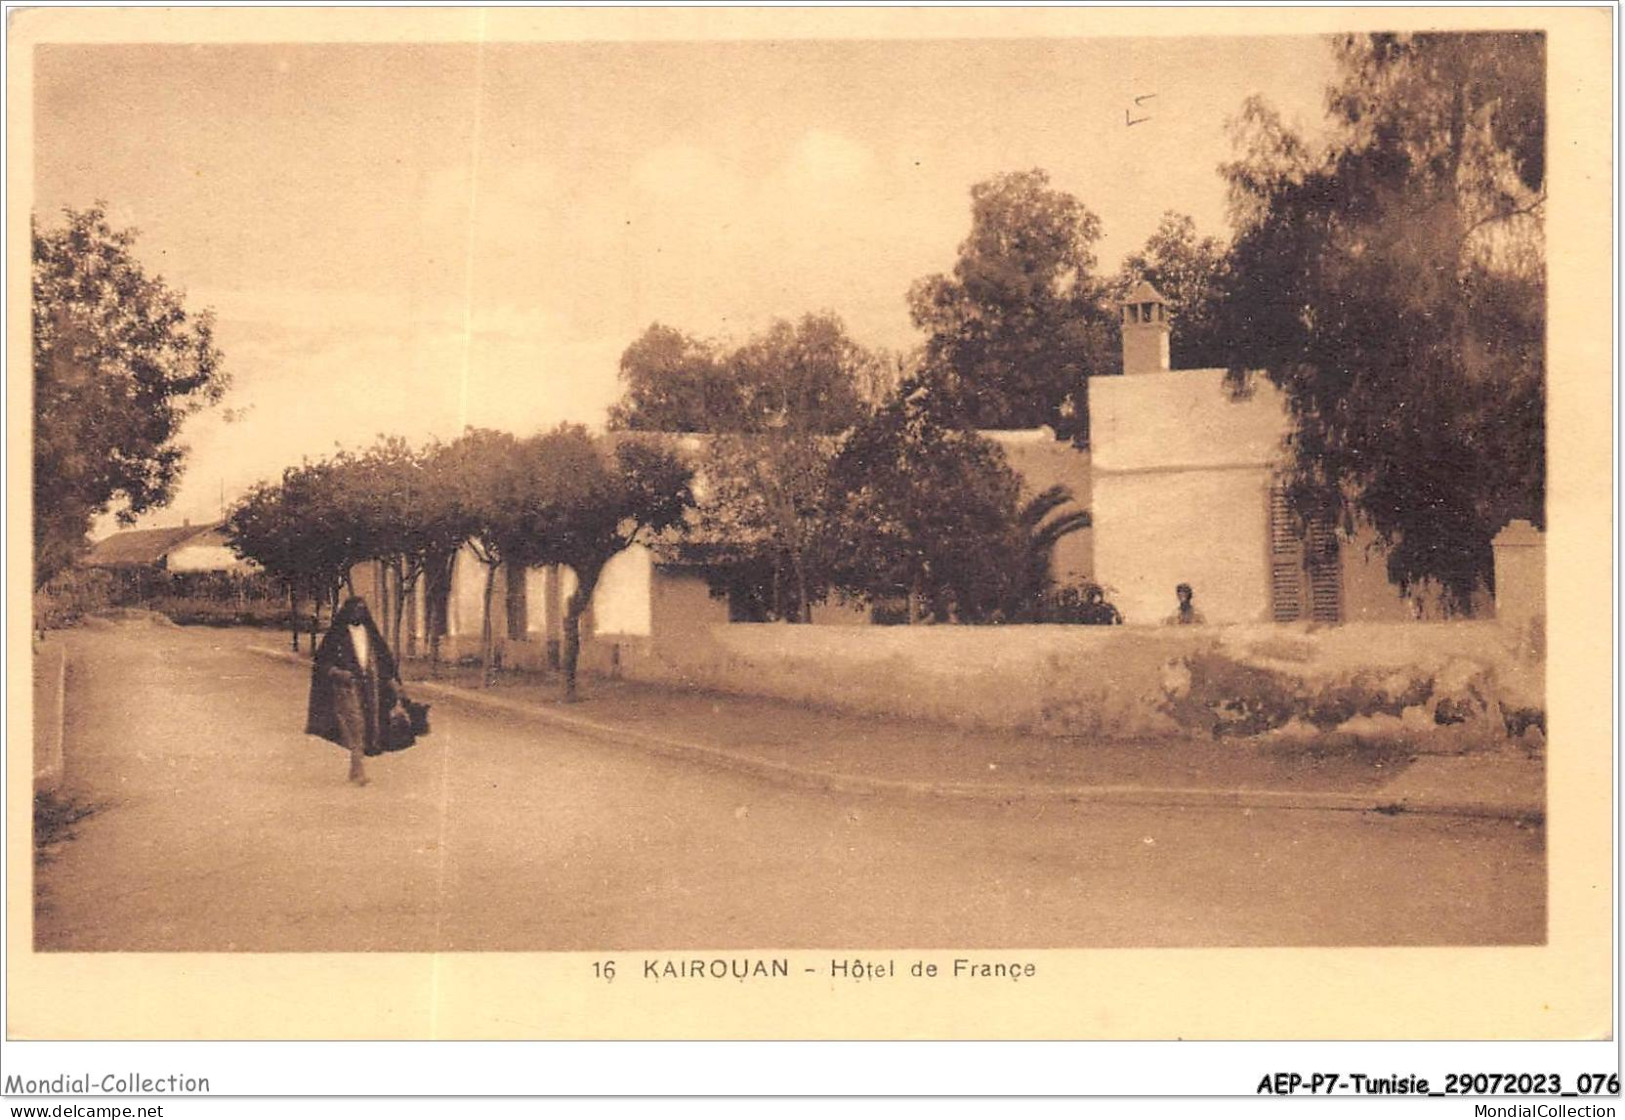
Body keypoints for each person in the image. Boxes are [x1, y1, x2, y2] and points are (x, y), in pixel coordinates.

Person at [306, 596, 404, 785]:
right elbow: (322, 663)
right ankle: (358, 769)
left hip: (370, 686)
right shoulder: (337, 635)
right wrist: (338, 673)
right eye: (355, 609)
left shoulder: (370, 634)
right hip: (347, 686)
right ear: (347, 612)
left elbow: (383, 661)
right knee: (356, 724)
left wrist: (393, 682)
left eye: (362, 609)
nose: (358, 613)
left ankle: (355, 767)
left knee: (369, 725)